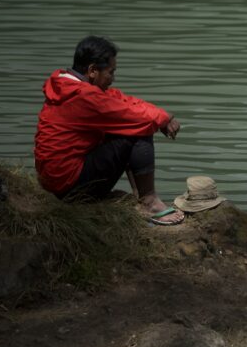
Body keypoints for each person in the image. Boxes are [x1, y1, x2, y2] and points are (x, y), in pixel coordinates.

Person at [34, 35, 185, 225]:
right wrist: (162, 119)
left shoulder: (65, 85)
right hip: (69, 188)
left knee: (130, 123)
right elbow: (134, 117)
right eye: (110, 72)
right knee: (140, 129)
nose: (113, 79)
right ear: (92, 71)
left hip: (52, 182)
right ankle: (149, 202)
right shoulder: (85, 97)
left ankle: (141, 197)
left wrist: (163, 116)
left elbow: (121, 100)